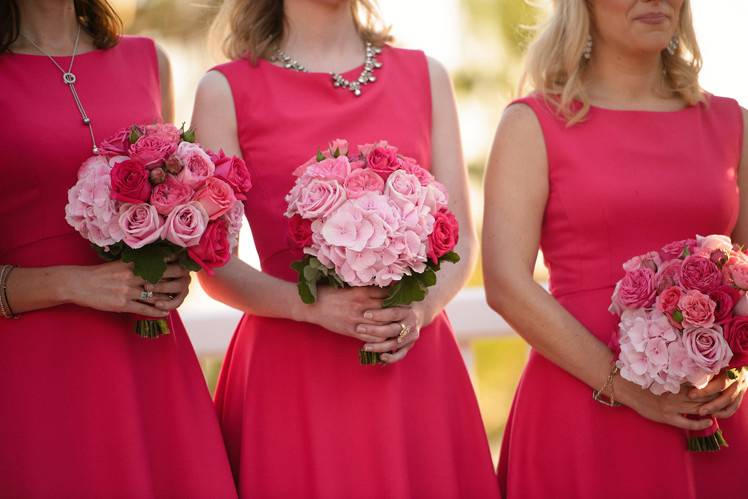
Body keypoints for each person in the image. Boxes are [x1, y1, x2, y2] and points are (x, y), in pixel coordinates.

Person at [191, 0, 500, 497]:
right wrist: (310, 307)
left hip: (410, 357)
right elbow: (215, 263)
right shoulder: (224, 90)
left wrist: (420, 310)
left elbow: (461, 238)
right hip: (292, 372)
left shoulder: (426, 75)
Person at [481, 0, 747, 497]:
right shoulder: (532, 122)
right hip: (581, 406)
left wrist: (738, 369)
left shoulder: (734, 123)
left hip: (710, 411)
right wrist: (631, 392)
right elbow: (505, 284)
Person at [0, 1, 236, 496]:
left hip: (148, 358)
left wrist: (176, 270)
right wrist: (73, 284)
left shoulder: (151, 61)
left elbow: (168, 204)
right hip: (35, 373)